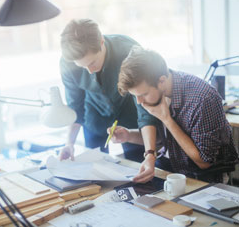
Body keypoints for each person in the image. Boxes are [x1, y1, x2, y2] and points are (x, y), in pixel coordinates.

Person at [112, 45, 238, 183]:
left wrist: (167, 119)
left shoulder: (202, 99)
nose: (139, 101)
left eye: (143, 94)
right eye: (135, 96)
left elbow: (204, 162)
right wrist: (129, 135)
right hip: (172, 167)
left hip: (204, 176)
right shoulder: (151, 91)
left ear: (162, 81)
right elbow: (165, 139)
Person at [59, 19, 159, 162]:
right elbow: (75, 107)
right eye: (82, 67)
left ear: (101, 42)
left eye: (92, 62)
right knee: (95, 168)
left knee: (139, 165)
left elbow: (145, 105)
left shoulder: (129, 50)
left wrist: (150, 153)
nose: (90, 71)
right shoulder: (67, 64)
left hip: (132, 114)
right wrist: (69, 144)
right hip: (94, 116)